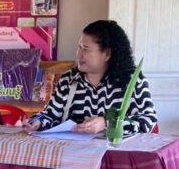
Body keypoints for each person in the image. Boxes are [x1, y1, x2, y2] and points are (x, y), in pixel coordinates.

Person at [24, 20, 157, 136]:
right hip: (76, 153)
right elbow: (50, 115)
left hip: (116, 154)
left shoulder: (132, 81)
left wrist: (107, 123)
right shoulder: (68, 80)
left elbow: (148, 120)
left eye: (86, 49)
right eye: (79, 48)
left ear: (107, 54)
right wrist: (37, 122)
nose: (79, 54)